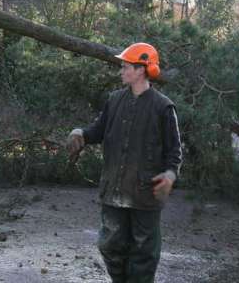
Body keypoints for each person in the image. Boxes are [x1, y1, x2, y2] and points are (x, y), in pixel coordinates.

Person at [67, 42, 182, 283]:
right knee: (109, 245)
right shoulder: (114, 99)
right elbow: (97, 131)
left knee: (144, 253)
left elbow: (174, 151)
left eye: (125, 66)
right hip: (114, 190)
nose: (121, 70)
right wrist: (80, 133)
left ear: (141, 69)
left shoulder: (163, 107)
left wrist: (170, 175)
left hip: (145, 194)